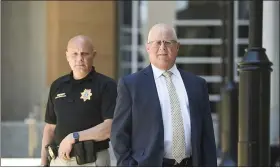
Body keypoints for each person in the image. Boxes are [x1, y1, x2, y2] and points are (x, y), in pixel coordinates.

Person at [110, 23, 217, 166]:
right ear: (148, 47)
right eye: (157, 43)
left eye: (168, 42)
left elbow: (207, 136)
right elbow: (119, 135)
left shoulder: (197, 85)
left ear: (177, 47)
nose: (162, 48)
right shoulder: (131, 85)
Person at [40, 35, 117, 166]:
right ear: (67, 56)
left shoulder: (106, 85)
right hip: (59, 161)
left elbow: (109, 128)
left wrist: (73, 137)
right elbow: (50, 128)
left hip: (92, 160)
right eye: (74, 54)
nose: (79, 59)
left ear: (94, 55)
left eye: (84, 54)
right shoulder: (57, 86)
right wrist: (43, 162)